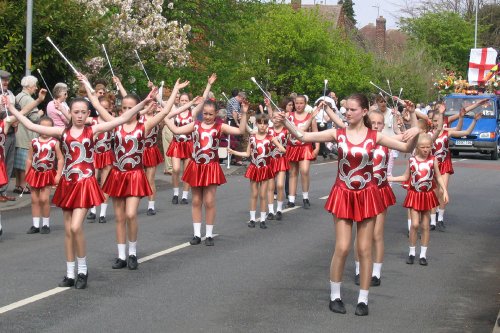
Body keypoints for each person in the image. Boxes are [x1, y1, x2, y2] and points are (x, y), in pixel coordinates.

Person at [278, 93, 420, 316]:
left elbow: (406, 148)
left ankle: (363, 299)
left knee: (364, 249)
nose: (347, 113)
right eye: (346, 110)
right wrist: (284, 120)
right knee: (343, 247)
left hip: (367, 195)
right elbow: (302, 136)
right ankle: (335, 295)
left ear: (364, 111)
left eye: (352, 110)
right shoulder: (339, 134)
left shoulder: (375, 136)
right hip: (343, 193)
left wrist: (415, 125)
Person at [5, 84, 154, 289]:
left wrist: (143, 104)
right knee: (68, 231)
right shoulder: (62, 132)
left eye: (84, 112)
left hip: (85, 184)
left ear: (87, 114)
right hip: (67, 184)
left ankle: (83, 270)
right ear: (71, 113)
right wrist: (12, 111)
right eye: (76, 112)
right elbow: (32, 127)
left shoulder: (93, 129)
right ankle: (70, 273)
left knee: (76, 227)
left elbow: (120, 119)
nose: (80, 115)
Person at [100, 81, 178, 271]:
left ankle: (133, 252)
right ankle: (121, 255)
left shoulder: (143, 126)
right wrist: (86, 84)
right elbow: (95, 104)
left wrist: (175, 90)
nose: (126, 111)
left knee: (131, 214)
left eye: (130, 107)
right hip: (117, 175)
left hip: (134, 174)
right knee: (119, 217)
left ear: (137, 109)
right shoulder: (115, 125)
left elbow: (165, 111)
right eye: (124, 108)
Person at [165, 99, 248, 246]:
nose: (207, 117)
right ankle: (197, 234)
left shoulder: (220, 126)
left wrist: (244, 113)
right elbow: (177, 130)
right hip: (196, 166)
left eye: (210, 114)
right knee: (196, 201)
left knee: (209, 201)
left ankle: (209, 234)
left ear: (216, 114)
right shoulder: (195, 125)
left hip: (211, 167)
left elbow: (240, 131)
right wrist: (164, 115)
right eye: (205, 114)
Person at [388, 134, 449, 266]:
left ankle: (423, 254)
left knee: (425, 226)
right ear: (417, 147)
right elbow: (405, 177)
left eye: (428, 147)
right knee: (415, 224)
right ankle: (411, 252)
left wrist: (444, 190)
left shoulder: (433, 160)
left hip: (427, 195)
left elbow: (438, 177)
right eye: (423, 147)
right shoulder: (412, 160)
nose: (426, 149)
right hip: (415, 194)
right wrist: (390, 178)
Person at [430, 100, 486, 230]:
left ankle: (440, 219)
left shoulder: (446, 132)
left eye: (439, 121)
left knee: (443, 190)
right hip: (432, 165)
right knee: (434, 192)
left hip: (444, 164)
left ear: (442, 121)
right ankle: (432, 221)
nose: (436, 123)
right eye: (434, 120)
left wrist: (472, 120)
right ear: (430, 121)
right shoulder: (428, 134)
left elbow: (464, 132)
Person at [166, 74, 217, 205]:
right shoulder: (175, 110)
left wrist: (209, 84)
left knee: (187, 171)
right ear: (179, 102)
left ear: (189, 101)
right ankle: (176, 193)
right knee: (176, 169)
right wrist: (176, 89)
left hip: (189, 144)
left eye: (185, 100)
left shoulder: (193, 112)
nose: (183, 102)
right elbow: (166, 106)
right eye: (182, 100)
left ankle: (184, 195)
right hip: (177, 144)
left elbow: (204, 99)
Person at [229, 113, 285, 229]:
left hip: (265, 168)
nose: (262, 126)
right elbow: (247, 153)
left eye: (265, 123)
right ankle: (252, 218)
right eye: (260, 123)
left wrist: (280, 148)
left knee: (263, 195)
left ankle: (263, 219)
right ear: (256, 124)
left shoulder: (271, 138)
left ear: (268, 125)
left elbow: (283, 149)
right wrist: (234, 153)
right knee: (254, 194)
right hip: (254, 168)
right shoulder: (252, 138)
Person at [25, 117, 63, 234]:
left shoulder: (54, 142)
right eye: (42, 127)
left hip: (47, 174)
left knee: (44, 199)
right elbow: (30, 159)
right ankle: (35, 225)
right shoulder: (34, 142)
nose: (45, 130)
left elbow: (60, 158)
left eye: (48, 128)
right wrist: (27, 173)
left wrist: (58, 174)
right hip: (35, 173)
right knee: (34, 199)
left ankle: (45, 224)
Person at [285, 95, 319, 209]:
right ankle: (291, 199)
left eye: (301, 103)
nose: (299, 105)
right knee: (292, 173)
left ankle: (305, 197)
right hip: (292, 147)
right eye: (297, 103)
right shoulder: (289, 116)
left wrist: (317, 147)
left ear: (305, 104)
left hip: (305, 147)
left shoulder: (310, 116)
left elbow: (315, 132)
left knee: (304, 171)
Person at [14, 76, 45, 195]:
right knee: (23, 161)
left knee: (17, 162)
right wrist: (40, 113)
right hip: (25, 133)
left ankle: (18, 184)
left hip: (18, 132)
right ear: (29, 86)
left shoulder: (17, 96)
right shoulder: (28, 99)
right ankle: (23, 185)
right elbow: (34, 117)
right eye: (35, 86)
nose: (36, 88)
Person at [0, 70, 17, 202]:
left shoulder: (10, 94)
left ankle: (3, 191)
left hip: (12, 132)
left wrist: (16, 120)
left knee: (8, 163)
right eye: (3, 79)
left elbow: (16, 109)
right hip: (2, 133)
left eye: (7, 79)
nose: (6, 82)